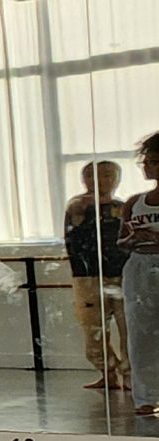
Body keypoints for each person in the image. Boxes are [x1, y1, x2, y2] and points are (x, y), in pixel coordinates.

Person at [65, 160, 130, 392]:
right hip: (88, 276)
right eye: (93, 176)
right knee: (93, 328)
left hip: (122, 274)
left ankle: (130, 374)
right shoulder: (77, 205)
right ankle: (107, 372)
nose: (100, 181)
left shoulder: (123, 206)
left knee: (128, 327)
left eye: (107, 176)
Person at [123, 133, 159, 418]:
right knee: (141, 333)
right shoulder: (135, 202)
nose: (148, 167)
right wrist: (136, 238)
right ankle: (146, 396)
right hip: (140, 266)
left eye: (154, 162)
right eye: (145, 162)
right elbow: (120, 241)